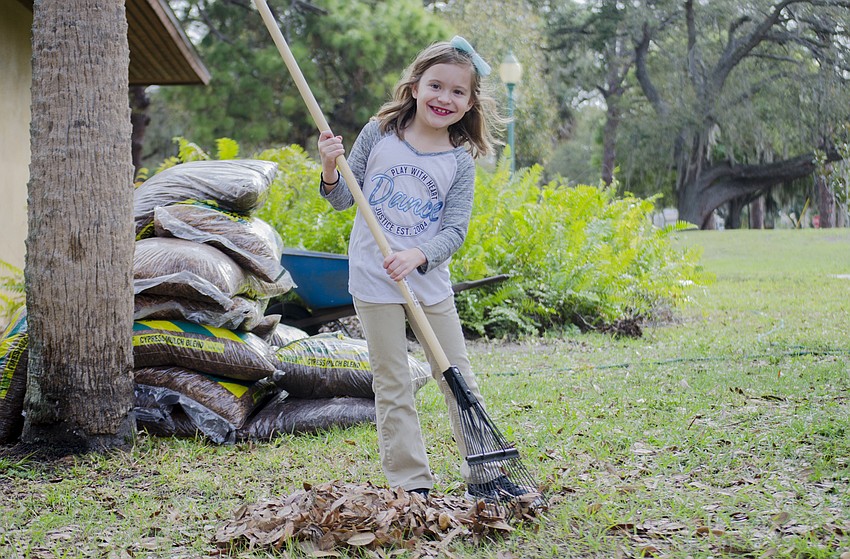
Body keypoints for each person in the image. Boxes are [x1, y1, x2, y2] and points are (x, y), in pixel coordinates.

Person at [317, 36, 528, 502]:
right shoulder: (379, 134)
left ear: (470, 102)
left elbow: (454, 230)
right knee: (392, 382)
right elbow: (341, 199)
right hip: (374, 280)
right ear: (414, 86)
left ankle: (487, 476)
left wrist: (418, 255)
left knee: (457, 377)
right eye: (436, 85)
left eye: (457, 92)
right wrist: (330, 167)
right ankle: (411, 486)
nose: (444, 98)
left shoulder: (458, 158)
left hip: (429, 284)